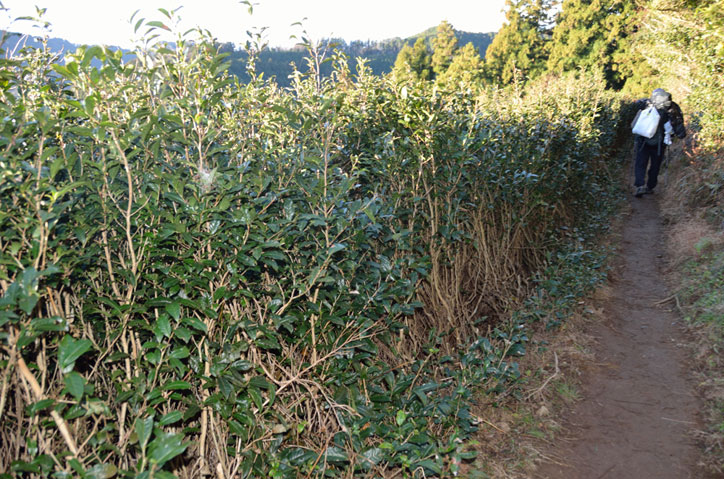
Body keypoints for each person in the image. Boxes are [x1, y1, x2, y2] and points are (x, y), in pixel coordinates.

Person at [632, 88, 687, 197]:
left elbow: (635, 113)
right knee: (655, 165)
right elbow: (678, 124)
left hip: (643, 140)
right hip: (660, 143)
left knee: (640, 163)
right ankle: (650, 187)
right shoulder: (670, 107)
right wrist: (679, 135)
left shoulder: (647, 104)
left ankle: (639, 186)